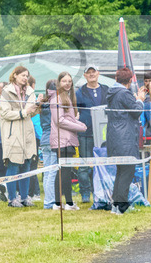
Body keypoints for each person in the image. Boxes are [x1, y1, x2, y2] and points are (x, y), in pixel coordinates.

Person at [105, 68, 145, 214]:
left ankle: (116, 204)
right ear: (130, 80)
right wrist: (139, 99)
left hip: (114, 136)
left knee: (121, 171)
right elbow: (136, 111)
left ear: (116, 78)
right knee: (127, 170)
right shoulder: (124, 93)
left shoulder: (112, 93)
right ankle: (121, 206)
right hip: (125, 138)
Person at [0, 65, 39, 207]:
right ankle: (12, 198)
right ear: (15, 75)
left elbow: (31, 112)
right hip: (13, 133)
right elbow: (5, 113)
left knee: (27, 165)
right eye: (22, 75)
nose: (25, 78)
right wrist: (23, 112)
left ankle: (24, 197)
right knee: (13, 164)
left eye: (27, 76)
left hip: (27, 133)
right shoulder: (6, 92)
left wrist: (37, 107)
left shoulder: (30, 92)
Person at [49, 71, 86, 210]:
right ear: (59, 82)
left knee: (65, 172)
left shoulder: (66, 97)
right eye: (64, 81)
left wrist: (75, 121)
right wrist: (79, 126)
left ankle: (65, 203)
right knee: (63, 172)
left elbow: (66, 119)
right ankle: (61, 203)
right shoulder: (57, 98)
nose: (67, 83)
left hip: (67, 139)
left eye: (69, 81)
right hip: (62, 141)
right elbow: (59, 120)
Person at [76, 65, 106, 203]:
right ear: (84, 75)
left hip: (104, 134)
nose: (91, 74)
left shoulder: (106, 90)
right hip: (85, 133)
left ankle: (102, 190)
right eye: (89, 72)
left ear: (98, 73)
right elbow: (75, 111)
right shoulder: (79, 92)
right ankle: (85, 193)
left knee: (104, 163)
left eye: (94, 72)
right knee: (84, 165)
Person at [39, 79, 57, 209]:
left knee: (47, 171)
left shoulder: (43, 104)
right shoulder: (54, 104)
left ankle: (48, 200)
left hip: (44, 139)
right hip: (53, 140)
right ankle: (50, 202)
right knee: (52, 172)